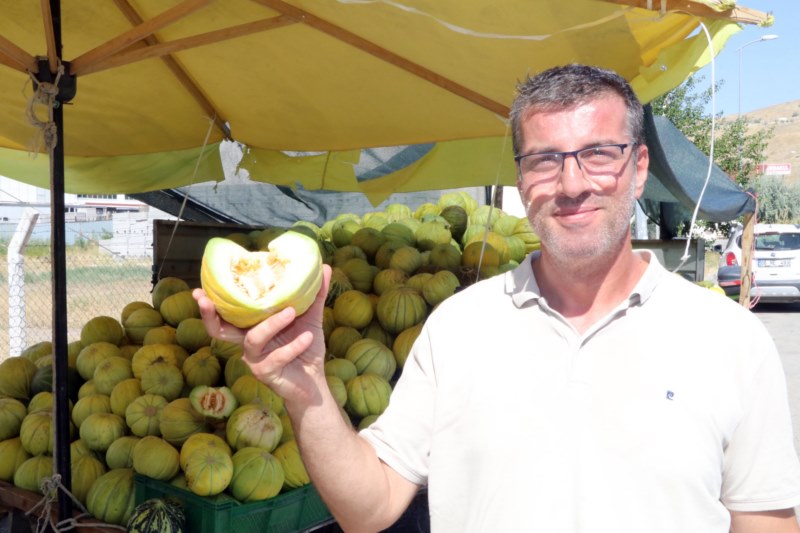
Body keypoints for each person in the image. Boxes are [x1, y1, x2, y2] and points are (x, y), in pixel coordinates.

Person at [195, 64, 800, 532]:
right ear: (520, 177)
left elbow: (765, 519)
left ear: (639, 168)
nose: (571, 184)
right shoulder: (456, 326)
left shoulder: (730, 339)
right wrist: (306, 387)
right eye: (544, 160)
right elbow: (370, 509)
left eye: (598, 154)